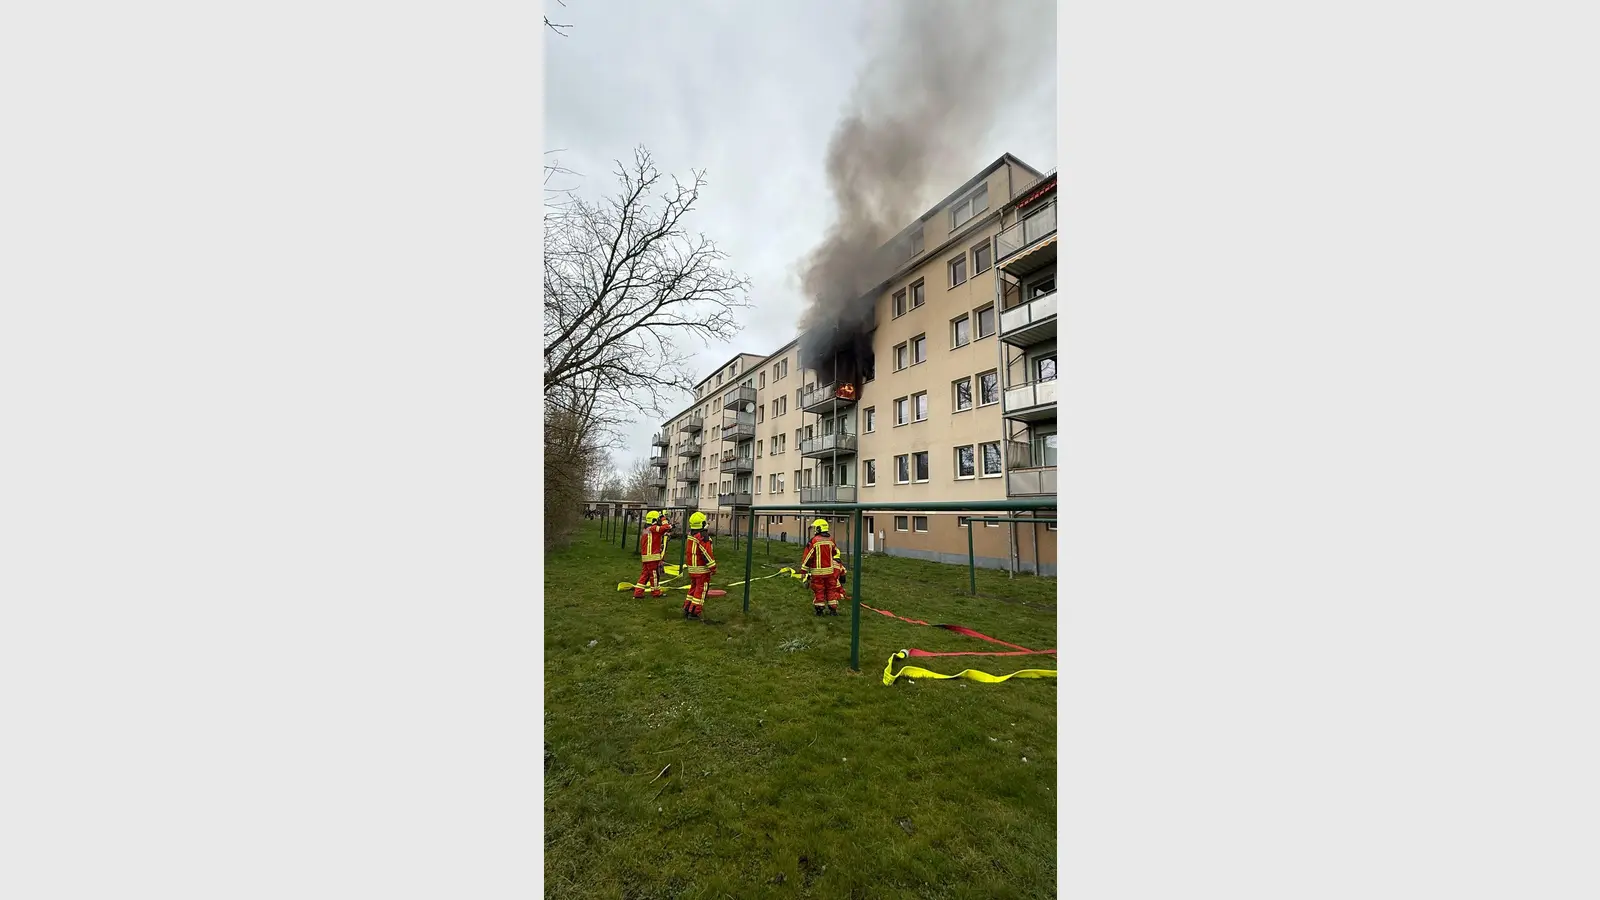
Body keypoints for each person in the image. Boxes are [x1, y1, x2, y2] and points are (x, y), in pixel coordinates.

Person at [800, 518, 845, 616]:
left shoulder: (814, 541)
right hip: (830, 572)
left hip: (818, 572)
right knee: (831, 590)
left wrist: (804, 570)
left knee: (819, 590)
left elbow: (808, 557)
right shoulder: (831, 540)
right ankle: (833, 610)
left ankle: (819, 609)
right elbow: (834, 552)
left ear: (819, 528)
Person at [681, 511, 716, 620]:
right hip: (701, 570)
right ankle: (694, 612)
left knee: (693, 589)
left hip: (692, 569)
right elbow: (706, 553)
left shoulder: (691, 535)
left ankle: (687, 608)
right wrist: (713, 567)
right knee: (700, 591)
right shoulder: (703, 537)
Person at [634, 510, 669, 598]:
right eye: (658, 519)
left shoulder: (646, 529)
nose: (659, 521)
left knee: (645, 575)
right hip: (652, 557)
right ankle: (656, 593)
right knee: (654, 575)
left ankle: (638, 593)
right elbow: (666, 527)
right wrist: (663, 518)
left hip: (646, 557)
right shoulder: (653, 528)